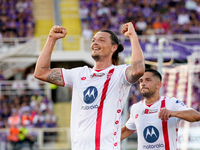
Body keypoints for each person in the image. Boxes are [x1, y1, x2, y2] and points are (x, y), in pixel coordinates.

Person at [34, 22, 145, 149]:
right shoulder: (79, 73)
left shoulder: (119, 73)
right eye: (93, 40)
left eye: (101, 40)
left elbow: (138, 70)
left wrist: (132, 36)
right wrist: (51, 39)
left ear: (113, 48)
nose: (95, 43)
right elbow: (41, 73)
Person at [121, 69, 200, 150]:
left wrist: (173, 113)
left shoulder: (171, 103)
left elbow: (197, 116)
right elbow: (126, 130)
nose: (143, 83)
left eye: (148, 80)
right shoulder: (136, 108)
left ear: (158, 85)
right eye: (141, 81)